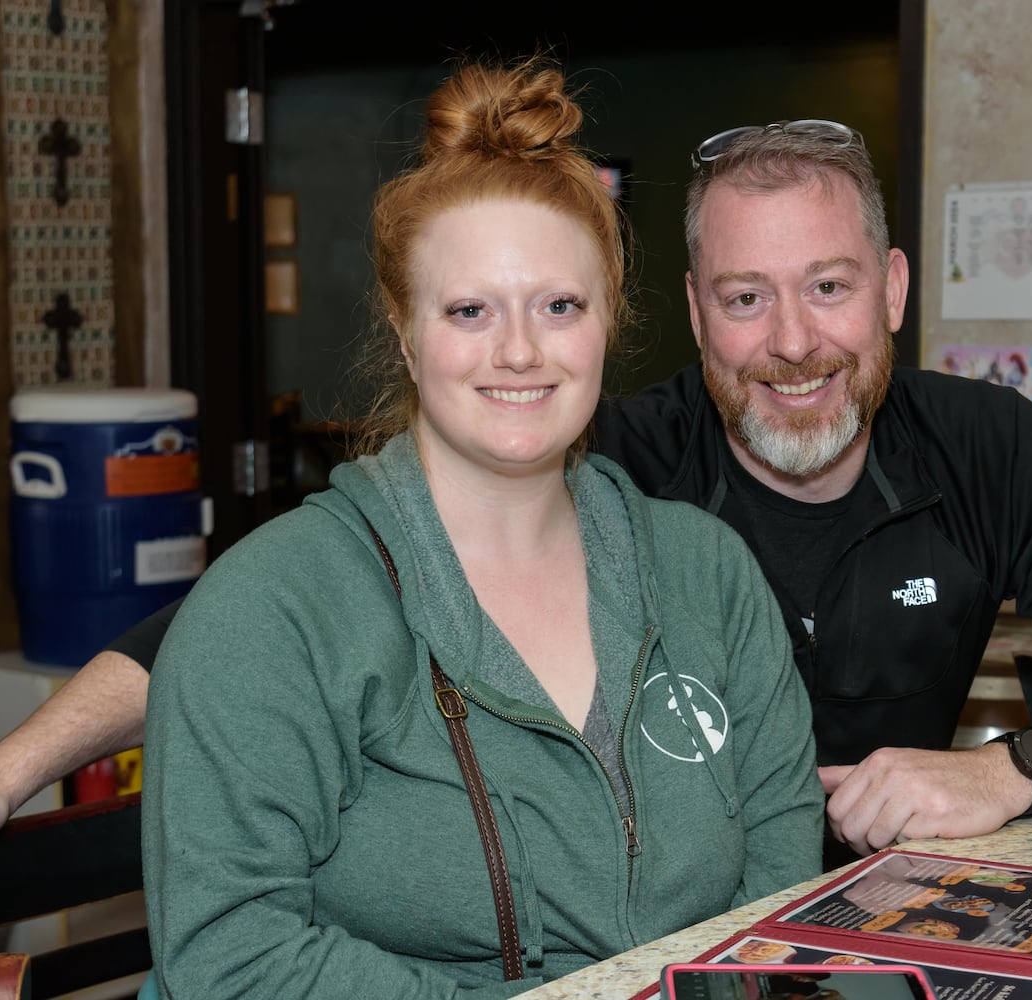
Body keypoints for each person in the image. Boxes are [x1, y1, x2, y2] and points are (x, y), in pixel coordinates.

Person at [0, 109, 1032, 863]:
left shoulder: (987, 447)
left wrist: (1008, 776)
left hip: (876, 916)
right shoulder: (605, 460)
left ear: (893, 292)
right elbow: (249, 622)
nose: (791, 341)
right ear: (687, 311)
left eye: (829, 288)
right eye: (745, 296)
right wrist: (6, 772)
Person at [134, 59, 821, 997]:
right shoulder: (273, 608)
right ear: (405, 329)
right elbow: (228, 953)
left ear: (609, 319)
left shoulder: (708, 574)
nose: (519, 351)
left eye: (559, 306)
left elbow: (779, 905)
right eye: (469, 311)